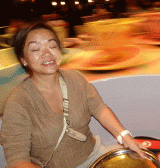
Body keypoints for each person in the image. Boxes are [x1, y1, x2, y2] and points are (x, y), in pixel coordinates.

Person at [0, 21, 146, 168]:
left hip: (93, 155)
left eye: (52, 46)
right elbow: (17, 160)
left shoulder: (74, 78)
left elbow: (99, 108)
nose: (47, 54)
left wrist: (125, 137)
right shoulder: (18, 101)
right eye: (35, 49)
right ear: (23, 59)